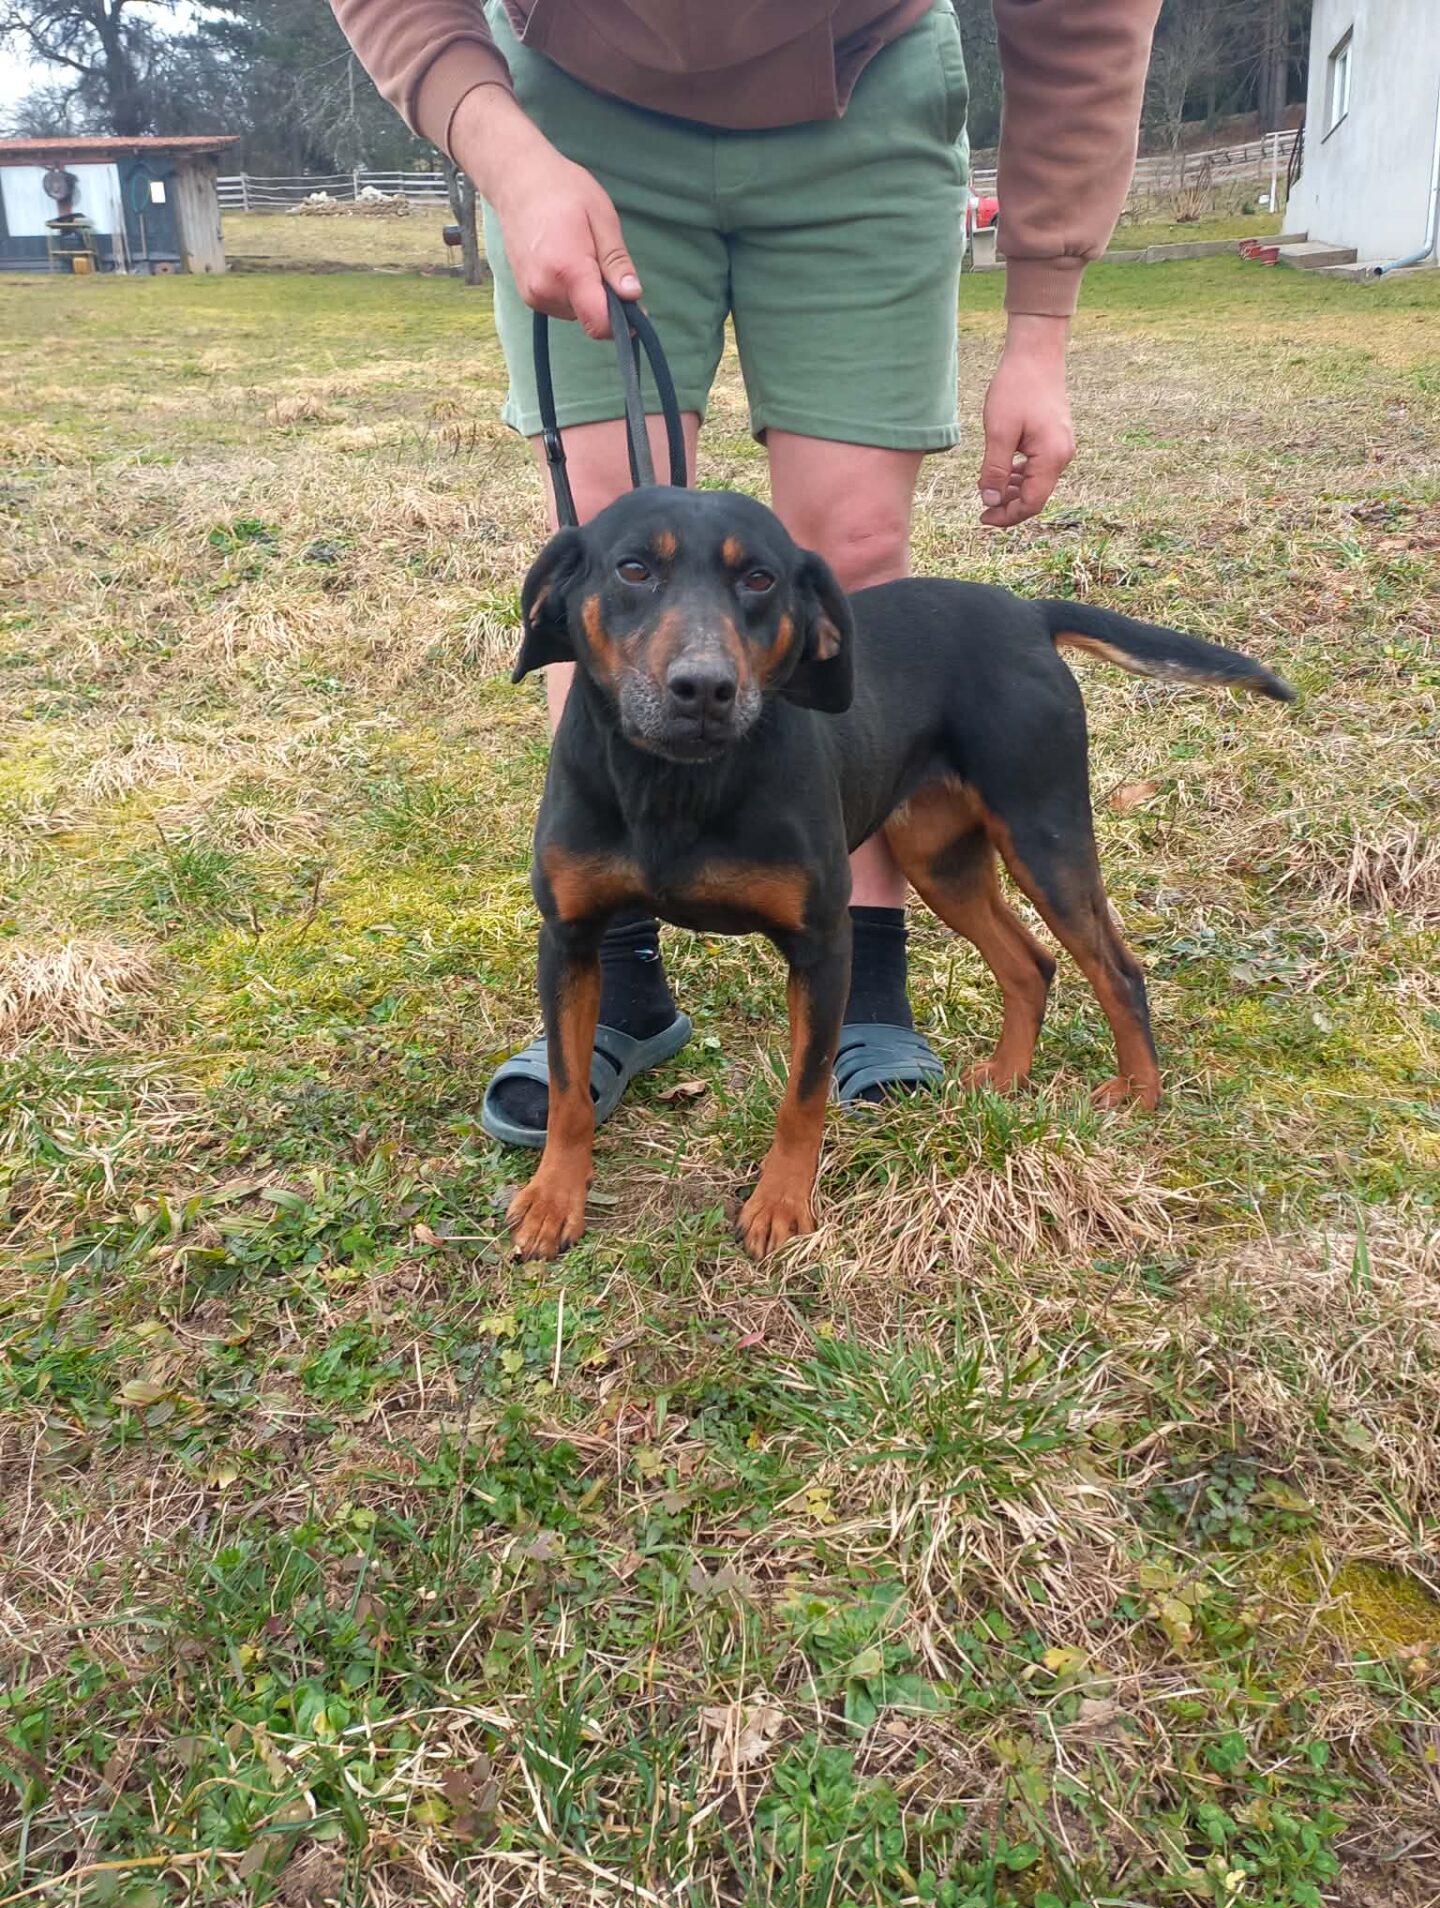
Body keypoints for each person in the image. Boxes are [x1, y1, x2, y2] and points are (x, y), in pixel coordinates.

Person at [330, 0, 1162, 1139]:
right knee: (614, 530)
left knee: (855, 548)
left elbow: (1087, 18)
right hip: (572, 101)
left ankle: (865, 984)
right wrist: (502, 150)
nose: (706, 662)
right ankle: (619, 975)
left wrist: (1042, 323)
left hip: (864, 95)